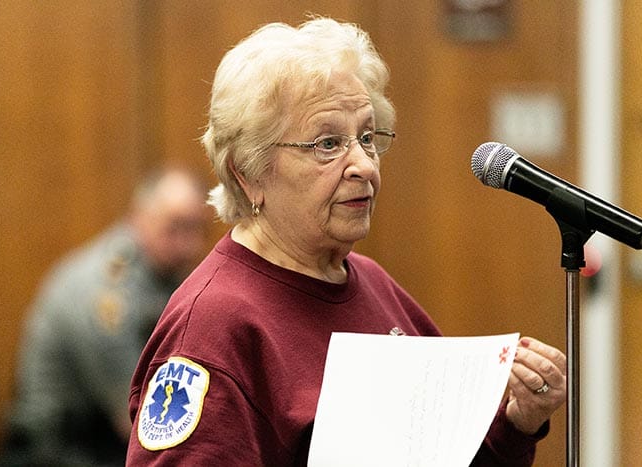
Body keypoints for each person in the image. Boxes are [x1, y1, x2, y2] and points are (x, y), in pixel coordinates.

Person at [126, 17, 567, 466]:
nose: (365, 166)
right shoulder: (213, 327)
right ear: (249, 172)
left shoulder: (370, 281)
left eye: (367, 138)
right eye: (327, 143)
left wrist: (516, 422)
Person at [0, 166, 211, 466]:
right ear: (139, 216)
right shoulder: (106, 294)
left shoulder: (162, 278)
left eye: (197, 229)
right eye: (175, 227)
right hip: (58, 450)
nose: (191, 245)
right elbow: (136, 419)